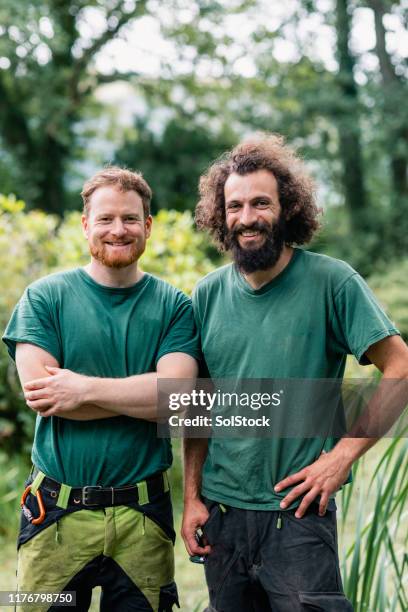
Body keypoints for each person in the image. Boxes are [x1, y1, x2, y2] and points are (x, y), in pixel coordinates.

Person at [181, 134, 408, 611]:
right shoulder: (206, 295)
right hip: (223, 517)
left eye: (261, 203)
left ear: (288, 207)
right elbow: (198, 405)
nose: (247, 218)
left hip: (298, 514)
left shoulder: (333, 282)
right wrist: (191, 497)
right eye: (235, 206)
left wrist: (341, 458)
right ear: (220, 215)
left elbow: (400, 368)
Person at [3, 167, 199, 612]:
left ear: (147, 226)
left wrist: (82, 389)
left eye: (130, 219)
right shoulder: (43, 298)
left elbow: (178, 401)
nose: (118, 229)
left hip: (143, 517)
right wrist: (141, 398)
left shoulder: (174, 307)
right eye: (106, 218)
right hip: (54, 511)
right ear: (85, 224)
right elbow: (43, 395)